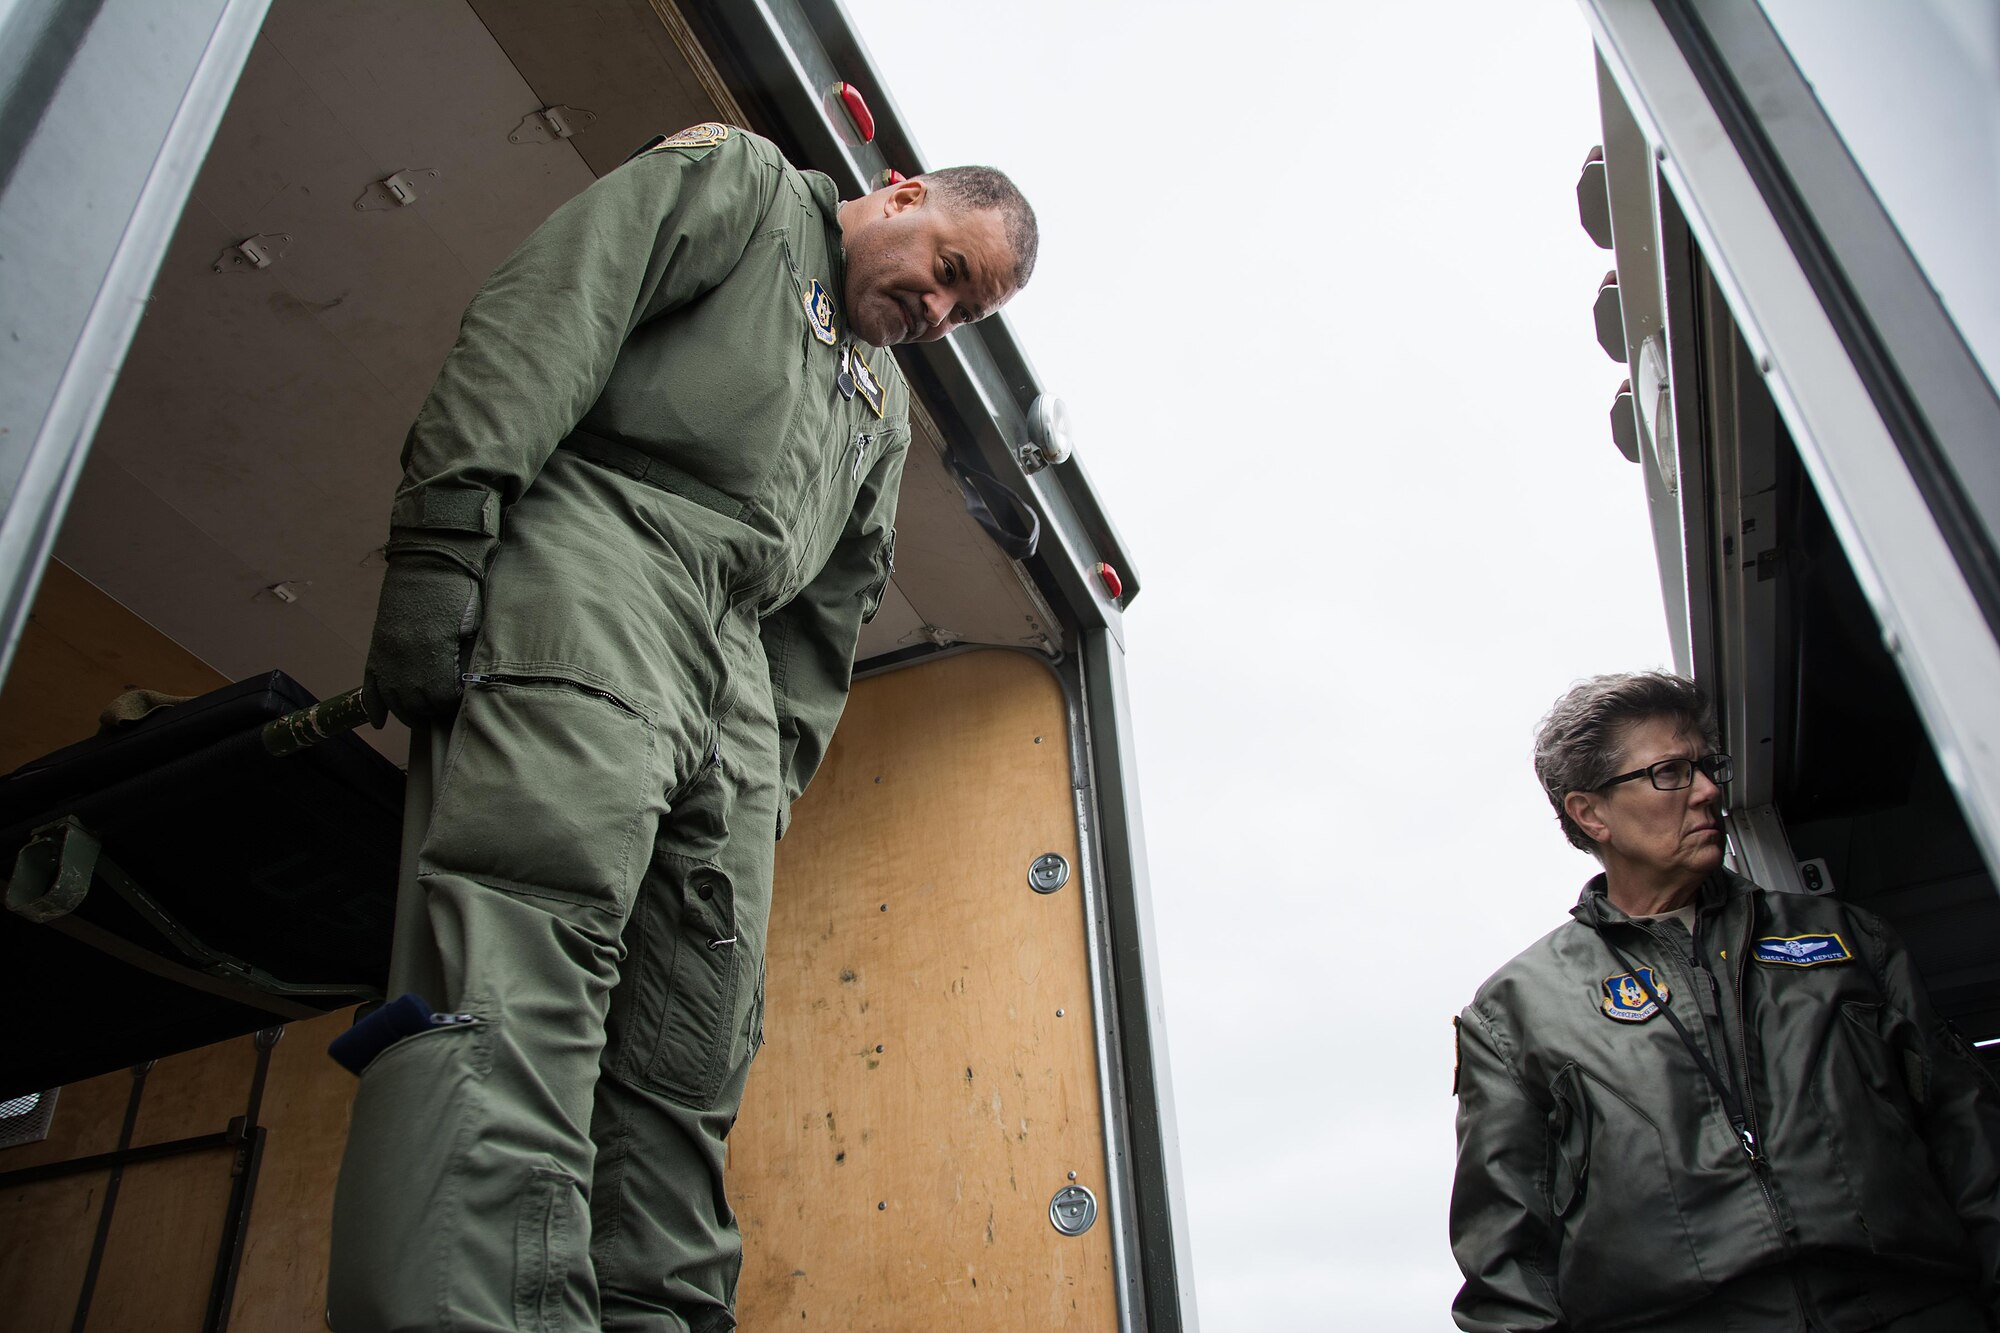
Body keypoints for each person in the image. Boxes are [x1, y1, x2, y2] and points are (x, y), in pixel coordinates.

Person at [324, 121, 1037, 1332]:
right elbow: (554, 311)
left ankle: (653, 1311)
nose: (937, 310)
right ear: (902, 194)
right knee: (526, 931)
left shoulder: (879, 409)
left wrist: (768, 779)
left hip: (734, 674)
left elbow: (826, 620)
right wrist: (448, 529)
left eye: (963, 313)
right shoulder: (746, 189)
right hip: (602, 554)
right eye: (949, 271)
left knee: (694, 1029)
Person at [1450, 671, 2000, 1332]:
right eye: (1671, 773)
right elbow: (1508, 1268)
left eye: (1709, 766)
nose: (1709, 790)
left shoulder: (1847, 937)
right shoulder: (1517, 1012)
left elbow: (1969, 1137)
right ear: (1591, 811)